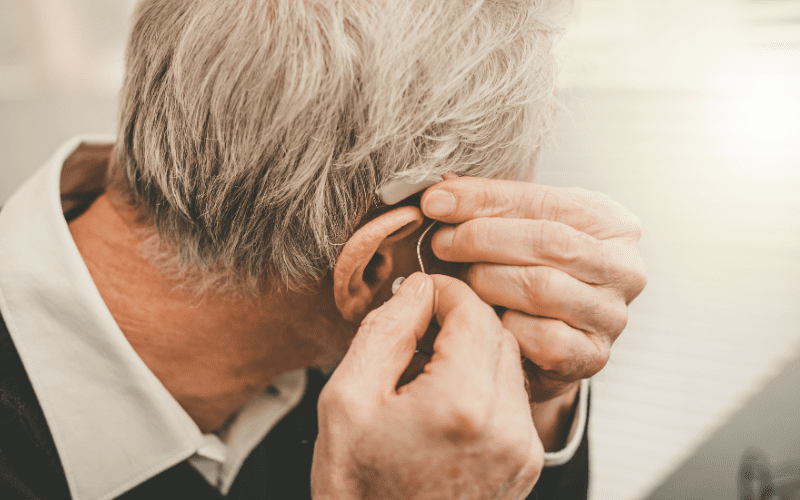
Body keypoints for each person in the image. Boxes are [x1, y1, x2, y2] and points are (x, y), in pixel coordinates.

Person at [0, 0, 646, 499]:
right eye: (492, 237)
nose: (510, 265)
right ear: (374, 267)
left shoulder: (357, 366)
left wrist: (536, 391)